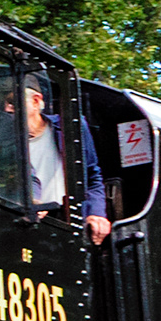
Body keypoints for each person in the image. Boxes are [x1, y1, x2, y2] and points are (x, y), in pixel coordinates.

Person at [20, 78, 111, 242]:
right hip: (31, 224)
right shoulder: (4, 140)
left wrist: (96, 213)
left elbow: (91, 175)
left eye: (12, 102)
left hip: (67, 221)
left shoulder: (71, 126)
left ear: (36, 101)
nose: (6, 108)